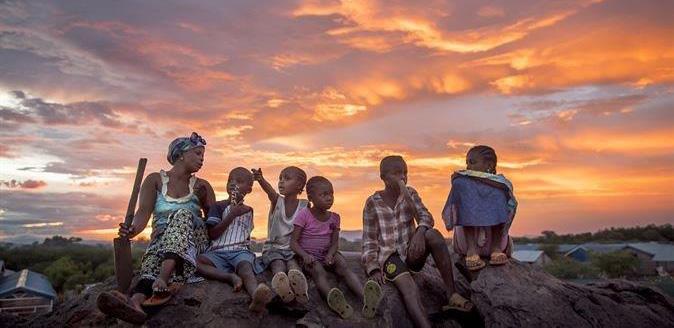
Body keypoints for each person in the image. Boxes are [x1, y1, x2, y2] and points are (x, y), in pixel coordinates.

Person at [97, 132, 215, 324]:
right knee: (150, 264)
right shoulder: (155, 180)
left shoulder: (203, 186)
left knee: (183, 214)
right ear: (182, 154)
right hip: (161, 243)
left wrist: (206, 204)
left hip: (193, 245)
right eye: (198, 153)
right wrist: (132, 230)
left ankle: (162, 278)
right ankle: (134, 303)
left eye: (203, 155)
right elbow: (143, 213)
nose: (202, 159)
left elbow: (213, 222)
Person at [362, 155, 473, 328]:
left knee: (434, 235)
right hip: (390, 257)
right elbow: (369, 240)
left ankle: (452, 295)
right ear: (383, 177)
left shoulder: (411, 193)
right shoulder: (372, 203)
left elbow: (426, 217)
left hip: (412, 251)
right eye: (397, 173)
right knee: (409, 287)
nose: (403, 177)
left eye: (405, 173)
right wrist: (373, 268)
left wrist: (420, 232)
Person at [291, 176, 382, 319]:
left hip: (328, 254)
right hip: (309, 258)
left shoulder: (335, 217)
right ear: (311, 198)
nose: (329, 198)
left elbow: (334, 243)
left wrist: (331, 254)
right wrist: (304, 255)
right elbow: (293, 243)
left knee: (343, 266)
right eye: (324, 195)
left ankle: (366, 299)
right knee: (319, 271)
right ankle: (335, 300)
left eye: (331, 194)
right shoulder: (304, 215)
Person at [197, 167, 272, 313]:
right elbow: (213, 234)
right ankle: (229, 277)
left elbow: (245, 235)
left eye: (238, 181)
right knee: (197, 262)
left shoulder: (249, 210)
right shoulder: (218, 206)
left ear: (249, 189)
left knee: (246, 268)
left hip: (239, 252)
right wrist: (231, 215)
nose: (232, 183)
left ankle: (256, 295)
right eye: (230, 180)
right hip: (218, 251)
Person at [441, 145, 517, 271]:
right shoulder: (463, 181)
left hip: (496, 244)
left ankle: (496, 248)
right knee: (461, 186)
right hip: (465, 245)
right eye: (467, 163)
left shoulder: (501, 183)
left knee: (498, 193)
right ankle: (472, 250)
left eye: (472, 162)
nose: (468, 167)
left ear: (490, 165)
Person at [253, 166, 310, 304]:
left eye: (287, 178)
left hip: (291, 250)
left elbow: (308, 228)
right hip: (273, 249)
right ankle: (282, 284)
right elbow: (269, 190)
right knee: (278, 264)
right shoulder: (277, 201)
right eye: (280, 178)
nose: (281, 182)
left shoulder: (304, 206)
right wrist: (260, 179)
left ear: (299, 185)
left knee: (293, 265)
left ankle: (300, 288)